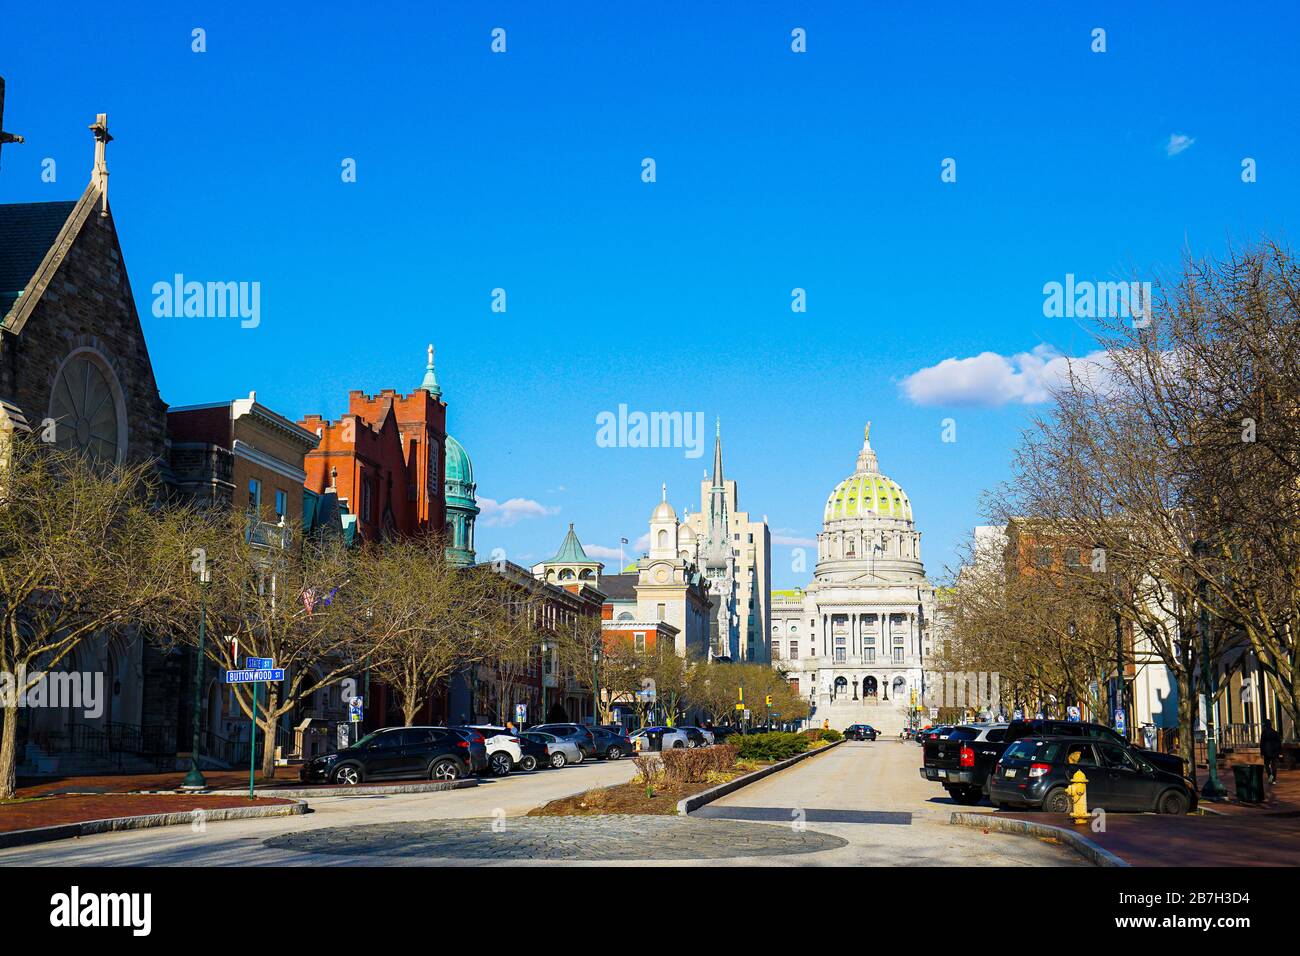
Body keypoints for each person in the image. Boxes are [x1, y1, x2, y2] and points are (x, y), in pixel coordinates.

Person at [1260, 718, 1283, 785]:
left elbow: (1262, 743)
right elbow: (1279, 743)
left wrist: (1261, 752)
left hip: (1266, 752)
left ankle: (1270, 776)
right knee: (1274, 765)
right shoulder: (1275, 733)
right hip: (1274, 751)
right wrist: (1280, 752)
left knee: (1267, 765)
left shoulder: (1264, 733)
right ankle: (1273, 779)